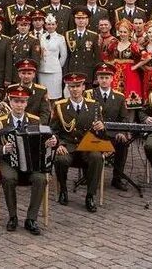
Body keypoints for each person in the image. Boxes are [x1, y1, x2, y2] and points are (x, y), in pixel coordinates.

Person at [0, 84, 55, 234]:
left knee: (40, 179)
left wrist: (51, 143)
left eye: (22, 101)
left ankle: (31, 219)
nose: (19, 105)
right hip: (9, 161)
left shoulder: (35, 120)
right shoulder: (1, 121)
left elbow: (45, 142)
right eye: (16, 101)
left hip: (31, 162)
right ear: (10, 102)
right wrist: (3, 149)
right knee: (8, 178)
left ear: (27, 103)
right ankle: (12, 216)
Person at [51, 73, 105, 212]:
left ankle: (90, 195)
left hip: (87, 146)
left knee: (97, 157)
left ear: (83, 87)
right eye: (71, 86)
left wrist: (101, 128)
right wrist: (59, 144)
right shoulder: (60, 106)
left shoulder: (94, 106)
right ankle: (63, 190)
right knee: (61, 159)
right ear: (68, 88)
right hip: (68, 145)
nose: (75, 90)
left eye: (77, 86)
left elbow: (100, 132)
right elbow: (53, 130)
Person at [90, 63, 133, 191]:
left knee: (123, 143)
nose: (104, 80)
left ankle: (117, 178)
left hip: (114, 134)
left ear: (112, 79)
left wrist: (121, 132)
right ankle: (90, 176)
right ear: (97, 79)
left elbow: (124, 118)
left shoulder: (119, 97)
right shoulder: (90, 94)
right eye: (101, 77)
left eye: (107, 77)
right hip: (96, 134)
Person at [37, 14, 68, 99]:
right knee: (43, 95)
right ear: (45, 25)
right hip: (42, 69)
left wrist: (57, 65)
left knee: (54, 95)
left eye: (53, 24)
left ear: (56, 25)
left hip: (55, 71)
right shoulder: (41, 37)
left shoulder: (60, 38)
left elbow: (63, 55)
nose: (51, 26)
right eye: (48, 24)